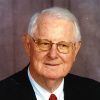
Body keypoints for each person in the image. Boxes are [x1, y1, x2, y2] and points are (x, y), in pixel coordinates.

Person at [0, 7, 100, 100]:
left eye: (63, 45)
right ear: (28, 45)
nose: (53, 55)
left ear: (76, 50)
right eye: (44, 43)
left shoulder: (95, 92)